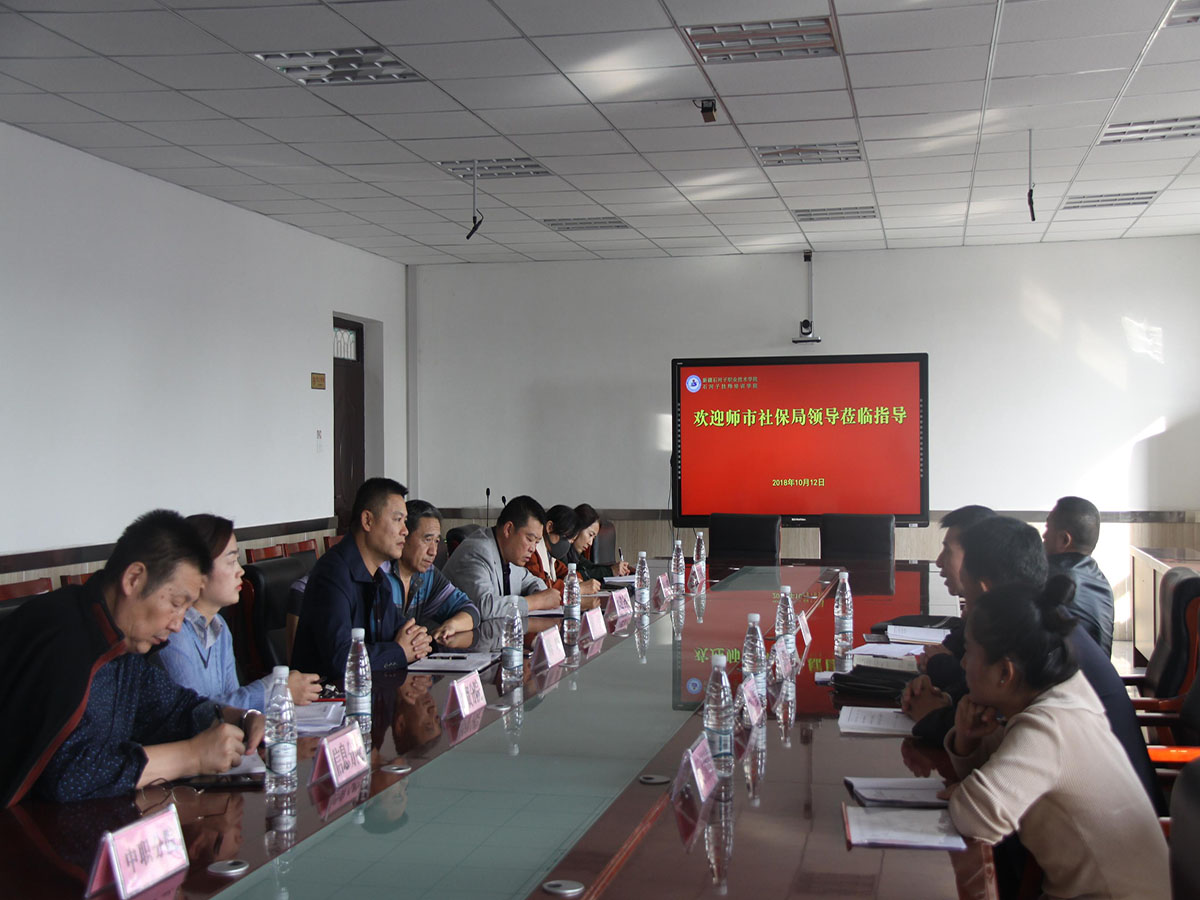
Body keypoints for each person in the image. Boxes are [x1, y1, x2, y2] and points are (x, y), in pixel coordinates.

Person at [0, 510, 265, 806]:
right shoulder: (64, 635)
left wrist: (238, 717)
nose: (177, 624)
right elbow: (66, 776)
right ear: (134, 579)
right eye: (176, 604)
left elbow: (173, 708)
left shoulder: (120, 640)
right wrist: (191, 756)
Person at [905, 515, 1165, 814]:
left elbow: (987, 798)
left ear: (985, 589)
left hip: (1108, 822)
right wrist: (949, 707)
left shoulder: (1036, 647)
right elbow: (986, 731)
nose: (964, 603)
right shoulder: (1043, 623)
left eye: (966, 591)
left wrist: (932, 716)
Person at [943, 576, 1169, 899]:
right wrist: (968, 740)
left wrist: (961, 793)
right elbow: (1002, 769)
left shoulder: (1049, 727)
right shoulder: (1065, 693)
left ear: (1005, 673)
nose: (963, 663)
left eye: (968, 651)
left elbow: (976, 816)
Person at [158, 514, 321, 709]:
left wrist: (253, 717)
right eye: (231, 561)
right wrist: (276, 690)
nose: (240, 571)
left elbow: (233, 707)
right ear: (196, 571)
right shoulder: (173, 634)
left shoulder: (219, 627)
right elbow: (197, 714)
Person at [291, 478, 432, 681]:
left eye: (405, 521)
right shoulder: (332, 574)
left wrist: (419, 641)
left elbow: (400, 633)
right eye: (398, 520)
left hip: (369, 690)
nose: (405, 531)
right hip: (328, 696)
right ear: (367, 521)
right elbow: (342, 661)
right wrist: (400, 652)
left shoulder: (379, 579)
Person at [442, 495, 563, 619]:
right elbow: (484, 607)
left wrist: (542, 594)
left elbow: (532, 581)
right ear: (508, 529)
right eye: (529, 539)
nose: (532, 548)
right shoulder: (475, 551)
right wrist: (536, 601)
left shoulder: (510, 554)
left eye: (536, 542)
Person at [387, 500, 480, 643]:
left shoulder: (427, 574)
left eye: (436, 541)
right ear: (404, 536)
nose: (433, 552)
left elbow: (470, 610)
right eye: (427, 539)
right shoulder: (381, 574)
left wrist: (451, 625)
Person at [1043, 496, 1115, 656]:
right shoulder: (1099, 579)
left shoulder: (1052, 579)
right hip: (1095, 671)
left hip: (1069, 672)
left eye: (1048, 528)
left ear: (1064, 540)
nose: (1044, 536)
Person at [526, 504, 601, 595]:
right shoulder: (532, 553)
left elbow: (565, 571)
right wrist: (576, 589)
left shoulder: (550, 556)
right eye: (568, 538)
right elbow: (542, 587)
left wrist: (575, 579)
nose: (569, 544)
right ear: (550, 527)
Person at [560, 503, 632, 581]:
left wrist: (615, 568)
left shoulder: (574, 553)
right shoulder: (561, 552)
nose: (590, 543)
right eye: (590, 535)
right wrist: (610, 571)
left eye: (593, 538)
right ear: (577, 528)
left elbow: (591, 567)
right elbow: (574, 576)